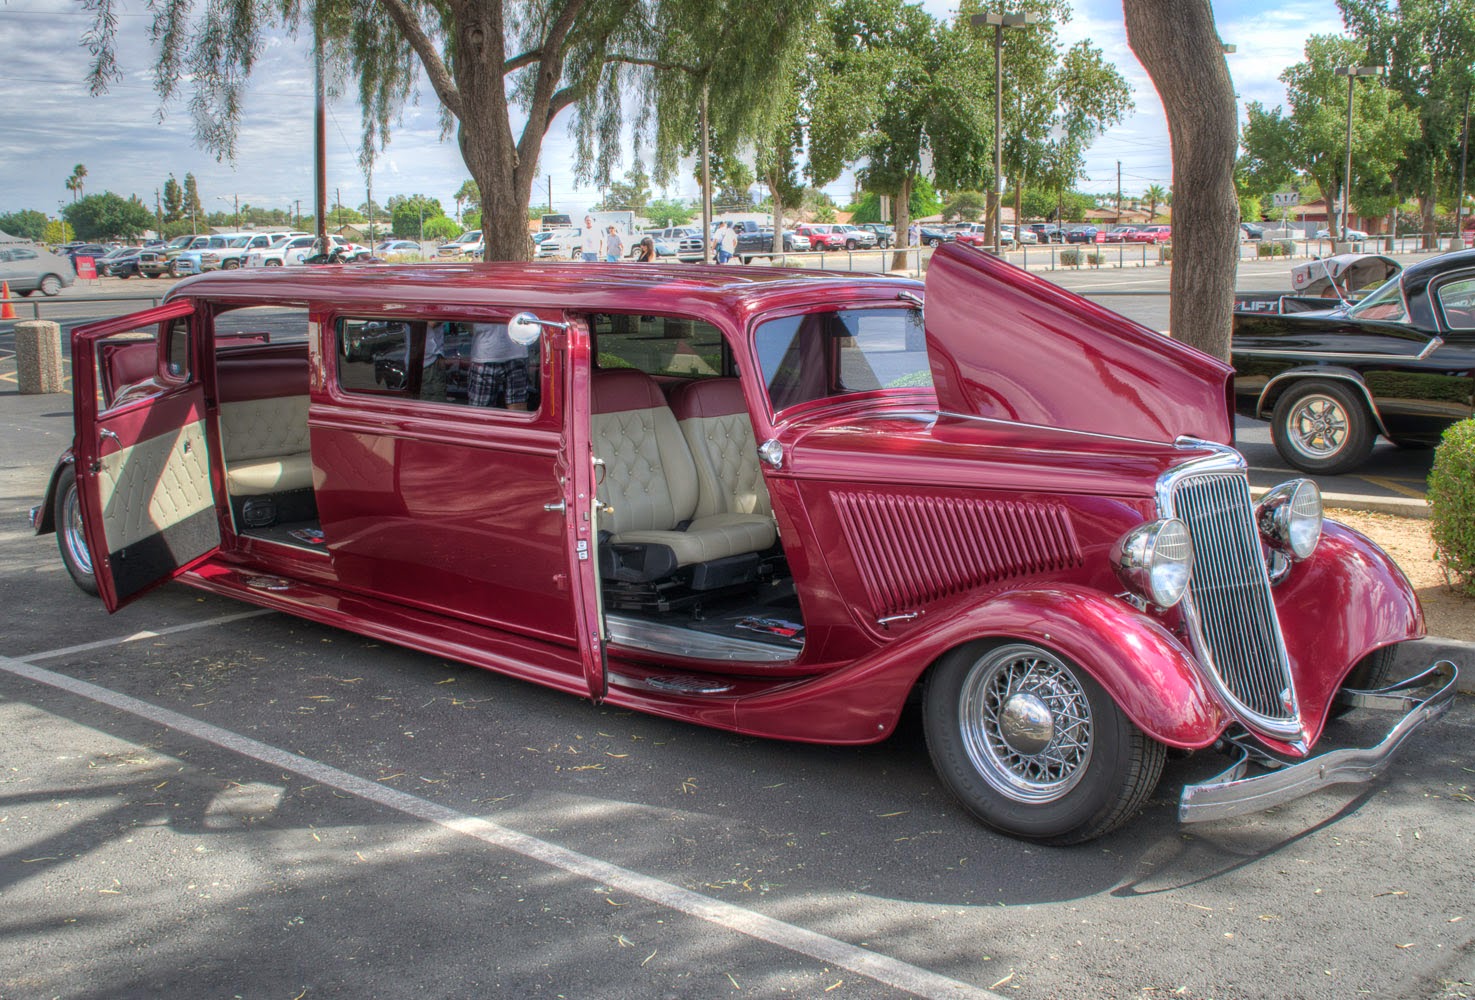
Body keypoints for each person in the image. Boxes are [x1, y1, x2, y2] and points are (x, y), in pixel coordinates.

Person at [467, 322, 529, 410]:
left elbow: (466, 323)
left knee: (481, 411)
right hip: (489, 354)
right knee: (480, 412)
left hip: (491, 352)